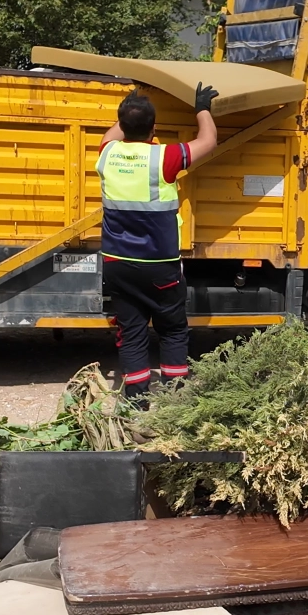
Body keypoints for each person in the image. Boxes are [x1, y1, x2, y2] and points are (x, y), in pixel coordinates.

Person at [98, 83, 217, 398]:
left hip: (118, 264)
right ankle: (174, 399)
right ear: (154, 129)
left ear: (122, 126)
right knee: (173, 330)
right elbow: (209, 140)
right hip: (159, 267)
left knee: (132, 334)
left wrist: (130, 109)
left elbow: (113, 134)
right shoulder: (164, 157)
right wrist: (202, 106)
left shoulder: (107, 152)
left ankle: (137, 403)